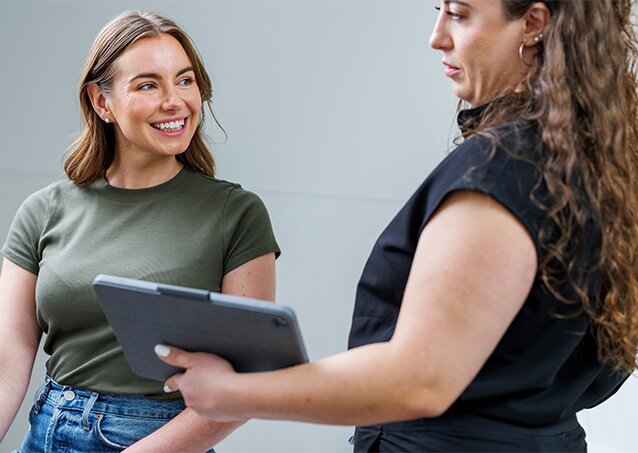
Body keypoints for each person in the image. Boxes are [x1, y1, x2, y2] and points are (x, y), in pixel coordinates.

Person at [154, 0, 638, 451]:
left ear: (532, 23)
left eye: (460, 15)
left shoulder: (503, 171)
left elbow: (420, 379)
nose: (437, 37)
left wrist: (235, 394)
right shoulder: (597, 167)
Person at [0, 10, 280, 452]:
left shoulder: (235, 214)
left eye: (185, 80)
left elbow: (245, 383)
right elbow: (7, 360)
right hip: (48, 431)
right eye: (148, 84)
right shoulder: (43, 210)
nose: (175, 101)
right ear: (100, 102)